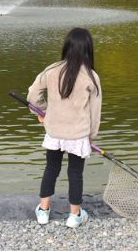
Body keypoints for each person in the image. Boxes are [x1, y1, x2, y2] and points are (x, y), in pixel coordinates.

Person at [27, 27, 102, 228]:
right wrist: (91, 136)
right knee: (75, 173)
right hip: (78, 135)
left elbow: (33, 96)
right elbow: (95, 113)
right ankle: (74, 216)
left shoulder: (51, 70)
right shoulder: (92, 77)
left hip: (54, 132)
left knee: (51, 168)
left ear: (66, 47)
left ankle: (43, 211)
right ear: (88, 49)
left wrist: (43, 112)